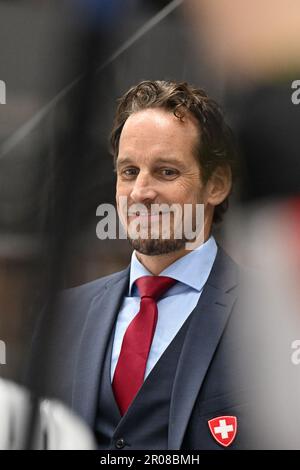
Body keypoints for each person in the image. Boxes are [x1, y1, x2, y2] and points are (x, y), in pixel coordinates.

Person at [28, 80, 253, 450]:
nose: (140, 193)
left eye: (166, 172)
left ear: (217, 184)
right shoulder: (61, 317)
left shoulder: (276, 316)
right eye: (129, 171)